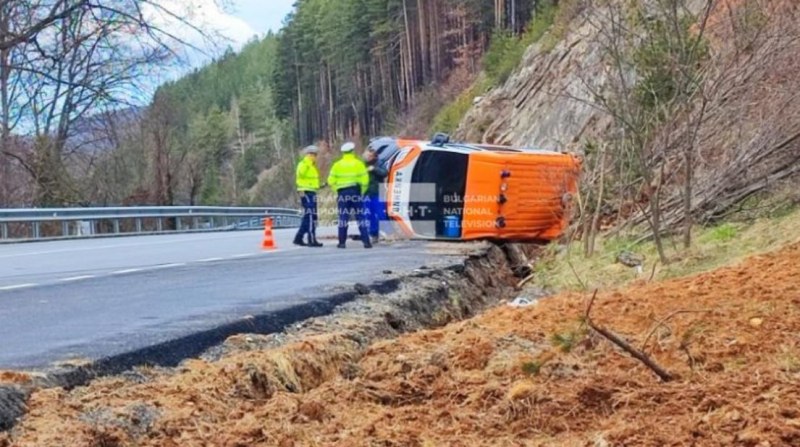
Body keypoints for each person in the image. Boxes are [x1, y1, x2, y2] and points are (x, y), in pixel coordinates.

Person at [327, 142, 371, 249]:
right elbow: (365, 180)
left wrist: (337, 190)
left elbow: (330, 181)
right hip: (356, 192)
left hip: (342, 193)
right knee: (361, 217)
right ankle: (366, 242)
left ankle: (342, 243)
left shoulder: (337, 165)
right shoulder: (358, 164)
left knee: (343, 218)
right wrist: (362, 192)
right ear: (352, 151)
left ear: (343, 153)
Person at [293, 145, 323, 247]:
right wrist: (308, 163)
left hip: (311, 191)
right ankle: (311, 239)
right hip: (305, 192)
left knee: (310, 216)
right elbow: (301, 174)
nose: (315, 157)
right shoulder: (304, 164)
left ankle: (299, 237)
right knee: (310, 216)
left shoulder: (311, 166)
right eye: (314, 155)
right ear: (310, 154)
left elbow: (311, 180)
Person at [364, 147, 388, 244]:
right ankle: (373, 234)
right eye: (367, 155)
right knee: (369, 215)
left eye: (370, 156)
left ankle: (384, 233)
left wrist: (374, 169)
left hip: (378, 191)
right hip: (366, 193)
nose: (368, 157)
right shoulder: (362, 164)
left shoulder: (379, 163)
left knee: (381, 214)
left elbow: (385, 173)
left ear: (374, 156)